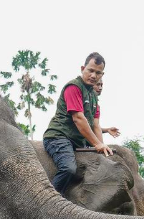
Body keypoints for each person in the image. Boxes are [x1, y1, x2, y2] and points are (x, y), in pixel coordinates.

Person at [42, 52, 120, 194]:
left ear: (102, 74)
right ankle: (47, 200)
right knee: (68, 168)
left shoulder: (94, 96)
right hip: (58, 137)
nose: (93, 75)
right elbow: (78, 118)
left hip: (76, 141)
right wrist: (96, 144)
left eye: (98, 73)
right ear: (82, 69)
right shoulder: (74, 87)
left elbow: (95, 125)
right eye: (90, 70)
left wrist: (101, 147)